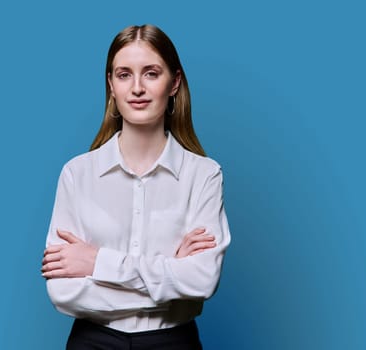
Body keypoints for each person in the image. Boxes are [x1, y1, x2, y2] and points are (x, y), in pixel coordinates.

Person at [41, 24, 231, 349]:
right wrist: (169, 278)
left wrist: (97, 263)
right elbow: (63, 293)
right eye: (124, 74)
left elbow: (201, 280)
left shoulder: (204, 175)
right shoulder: (77, 174)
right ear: (111, 85)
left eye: (151, 73)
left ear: (174, 83)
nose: (137, 88)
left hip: (173, 342)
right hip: (93, 342)